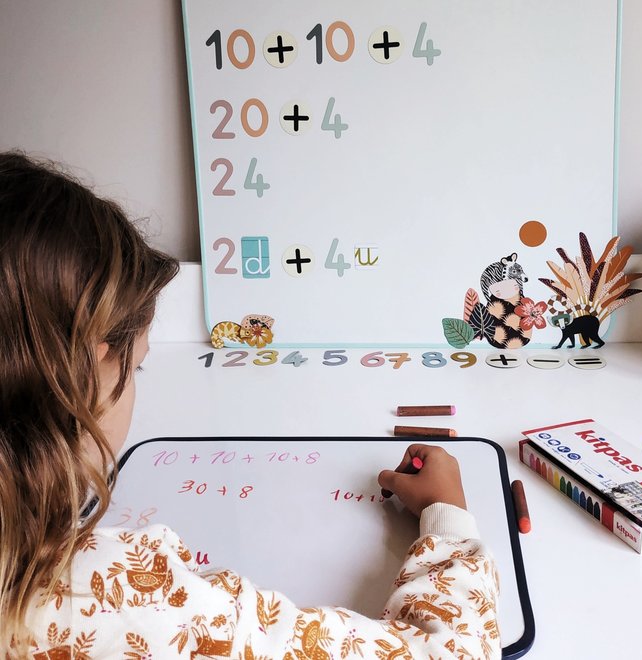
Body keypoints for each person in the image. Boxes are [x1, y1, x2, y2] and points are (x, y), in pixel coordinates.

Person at [0, 151, 500, 659]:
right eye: (137, 367)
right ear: (89, 368)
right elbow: (450, 653)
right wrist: (449, 520)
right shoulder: (116, 598)